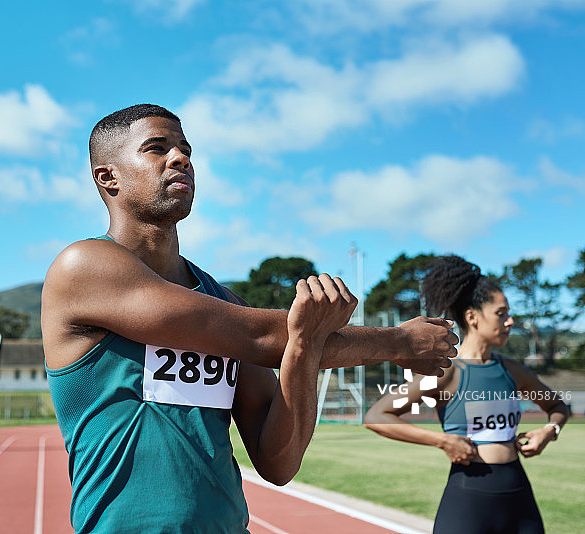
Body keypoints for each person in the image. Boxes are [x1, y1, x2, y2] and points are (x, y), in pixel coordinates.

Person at [41, 104, 459, 533]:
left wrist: (305, 343)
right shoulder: (83, 267)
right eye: (156, 148)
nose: (180, 158)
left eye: (185, 149)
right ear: (107, 177)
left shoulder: (224, 300)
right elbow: (261, 336)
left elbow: (278, 462)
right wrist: (398, 342)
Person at [364, 255, 570, 534]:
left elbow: (558, 405)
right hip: (468, 502)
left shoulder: (512, 370)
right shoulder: (447, 372)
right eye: (501, 313)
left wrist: (549, 431)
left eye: (509, 313)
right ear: (472, 317)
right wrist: (442, 441)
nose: (510, 322)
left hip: (520, 501)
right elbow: (376, 416)